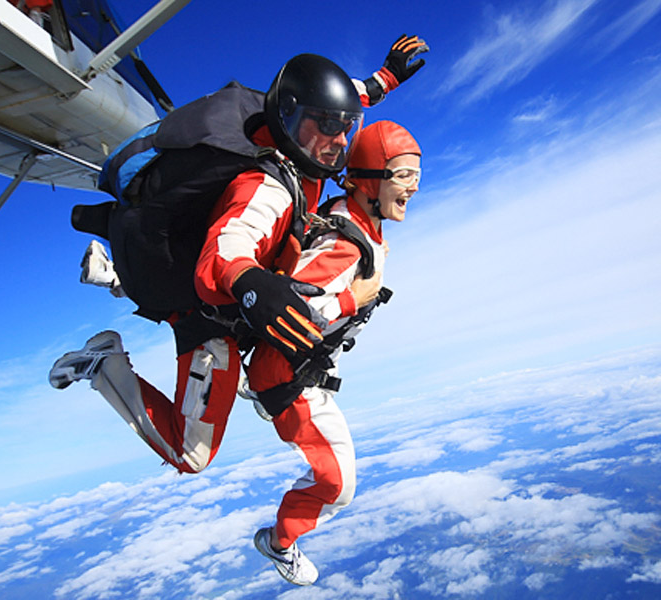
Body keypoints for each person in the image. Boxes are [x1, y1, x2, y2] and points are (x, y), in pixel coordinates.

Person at [48, 42, 427, 474]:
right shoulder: (269, 187)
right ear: (292, 120)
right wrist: (251, 284)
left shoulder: (295, 135)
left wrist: (384, 80)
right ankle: (104, 365)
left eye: (346, 129)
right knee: (190, 454)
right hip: (209, 319)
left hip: (191, 271)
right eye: (327, 128)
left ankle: (114, 273)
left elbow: (336, 103)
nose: (338, 142)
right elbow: (226, 254)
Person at [247, 120, 422, 585]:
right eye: (402, 174)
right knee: (336, 483)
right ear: (369, 178)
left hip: (297, 373)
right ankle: (279, 543)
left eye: (416, 174)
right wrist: (354, 299)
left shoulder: (355, 223)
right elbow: (294, 307)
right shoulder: (346, 242)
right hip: (288, 377)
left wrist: (382, 82)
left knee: (337, 481)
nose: (414, 186)